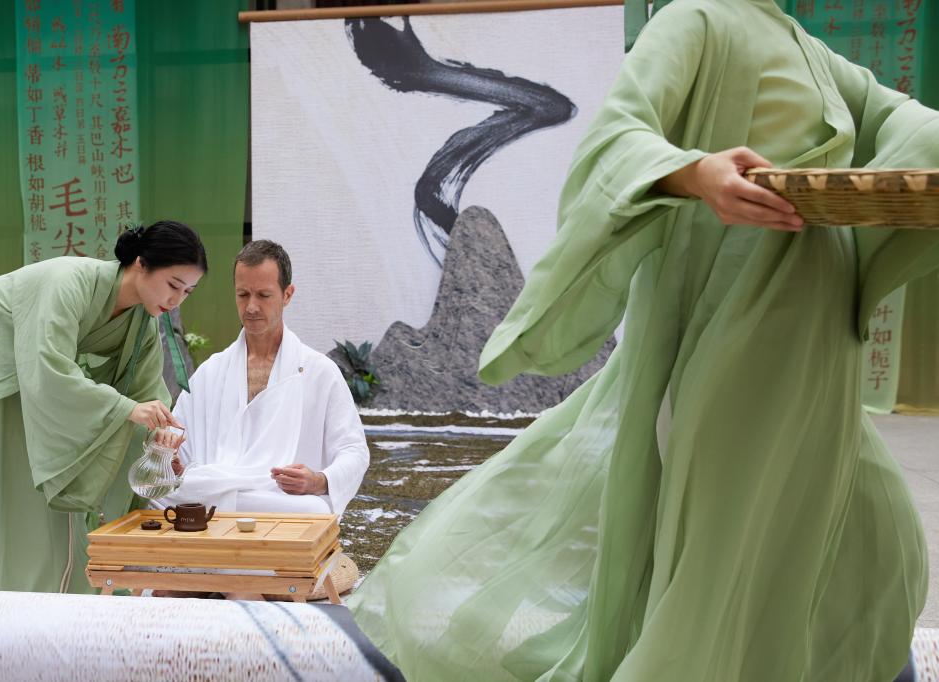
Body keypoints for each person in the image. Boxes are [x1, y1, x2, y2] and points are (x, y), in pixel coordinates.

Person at [350, 1, 939, 680]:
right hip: (738, 330)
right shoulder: (695, 18)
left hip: (814, 337)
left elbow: (899, 117)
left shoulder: (804, 46)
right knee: (722, 556)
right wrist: (696, 173)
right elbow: (617, 134)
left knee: (873, 535)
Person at [0, 220, 206, 593]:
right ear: (140, 263)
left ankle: (67, 580)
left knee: (83, 452)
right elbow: (47, 366)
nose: (176, 300)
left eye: (188, 292)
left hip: (39, 370)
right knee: (7, 476)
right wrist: (126, 409)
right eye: (173, 285)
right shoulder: (69, 282)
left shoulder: (143, 323)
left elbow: (148, 396)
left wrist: (161, 441)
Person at [155, 239, 368, 517]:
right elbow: (177, 441)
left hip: (279, 498)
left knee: (312, 510)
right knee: (154, 496)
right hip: (214, 491)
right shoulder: (212, 371)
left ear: (287, 295)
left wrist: (318, 481)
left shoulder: (319, 371)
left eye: (263, 295)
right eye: (243, 295)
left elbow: (354, 450)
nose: (251, 307)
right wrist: (171, 458)